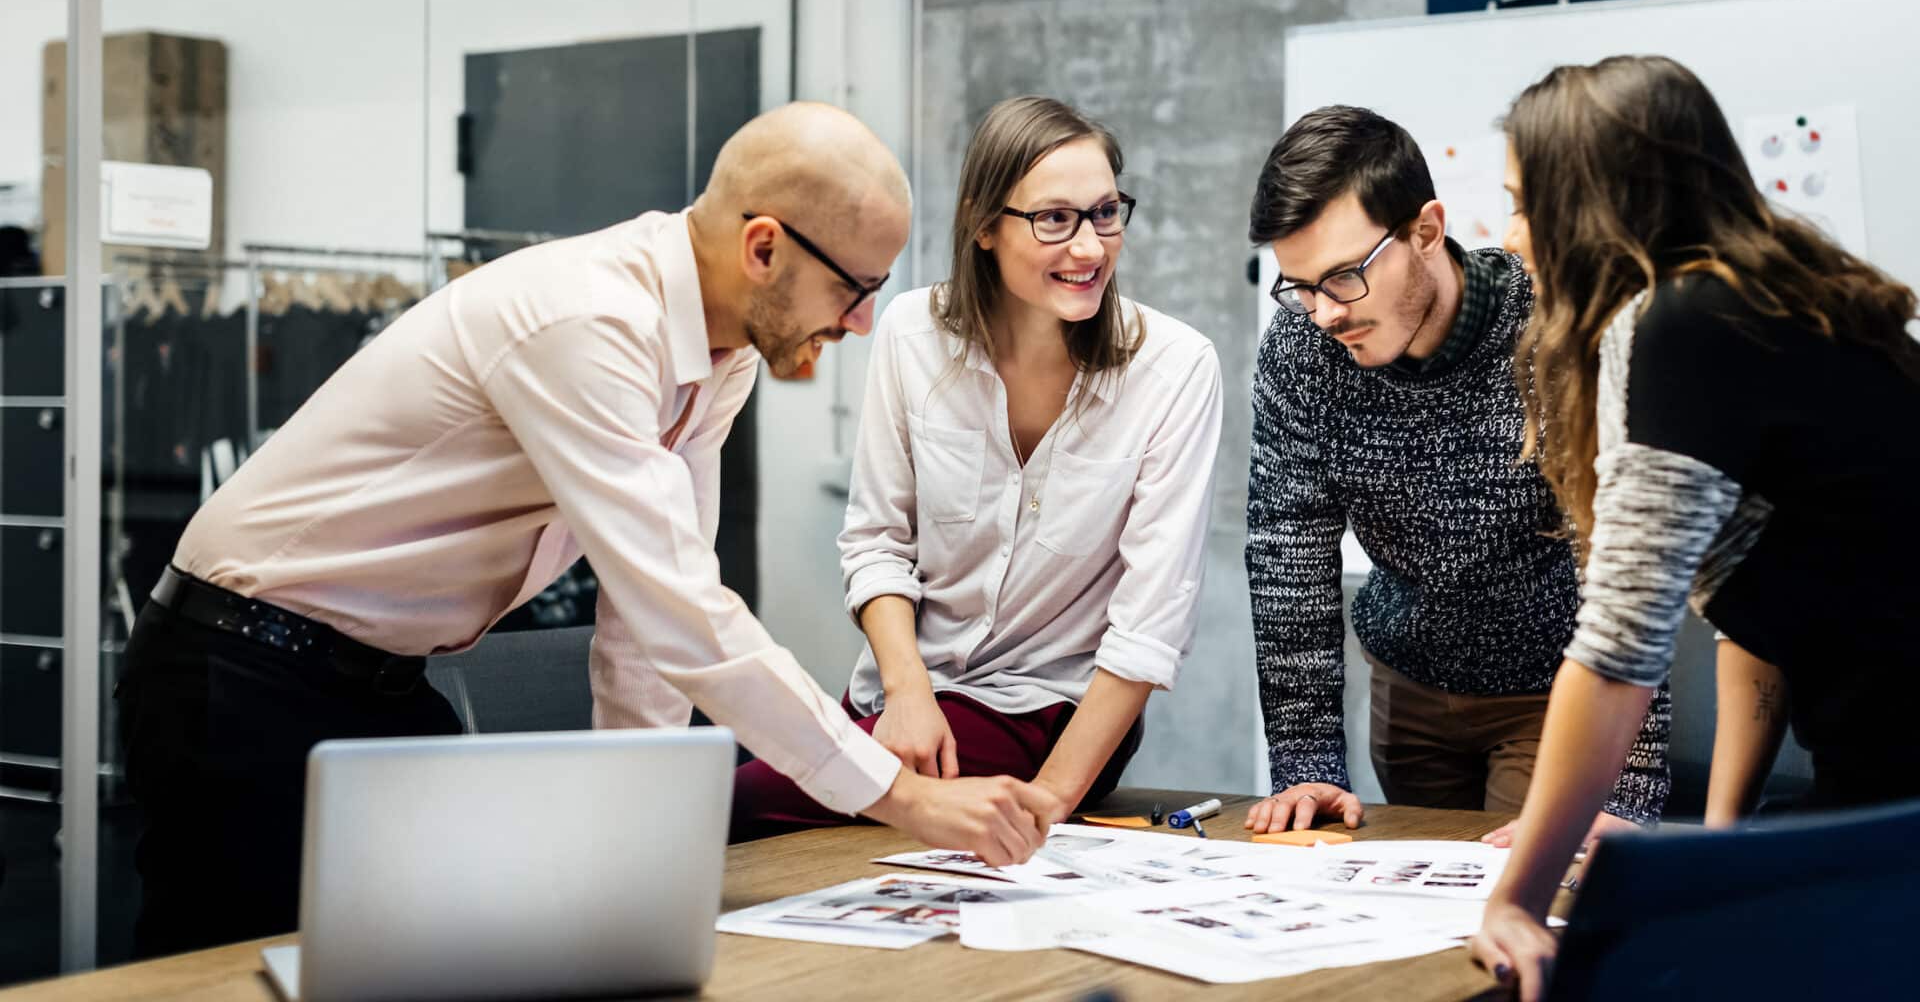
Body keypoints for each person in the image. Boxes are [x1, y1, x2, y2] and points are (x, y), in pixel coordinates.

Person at [114, 102, 1055, 958]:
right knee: (220, 974)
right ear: (763, 248)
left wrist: (631, 832)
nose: (859, 324)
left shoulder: (719, 360)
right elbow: (683, 609)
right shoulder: (590, 321)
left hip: (376, 681)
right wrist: (902, 795)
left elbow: (647, 625)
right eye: (854, 288)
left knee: (442, 961)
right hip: (237, 666)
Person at [1471, 56, 1920, 999]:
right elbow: (1769, 605)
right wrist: (1721, 845)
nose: (1511, 237)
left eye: (1523, 202)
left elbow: (1616, 652)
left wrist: (1517, 896)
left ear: (1588, 203)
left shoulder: (1683, 324)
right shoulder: (1788, 297)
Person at [731, 96, 1223, 839]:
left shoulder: (1175, 367)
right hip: (902, 699)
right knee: (723, 771)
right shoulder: (911, 335)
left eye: (1106, 212)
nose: (1089, 247)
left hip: (1050, 715)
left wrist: (1052, 801)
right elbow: (876, 543)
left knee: (723, 803)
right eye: (1055, 219)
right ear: (985, 225)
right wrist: (907, 695)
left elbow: (1149, 622)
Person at [1239, 105, 1670, 840]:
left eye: (1343, 277)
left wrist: (1627, 792)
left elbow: (1625, 561)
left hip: (1555, 692)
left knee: (1528, 904)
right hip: (1408, 689)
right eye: (1299, 286)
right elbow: (1288, 549)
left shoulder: (1553, 332)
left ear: (1426, 231)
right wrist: (1306, 758)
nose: (1322, 314)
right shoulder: (1303, 350)